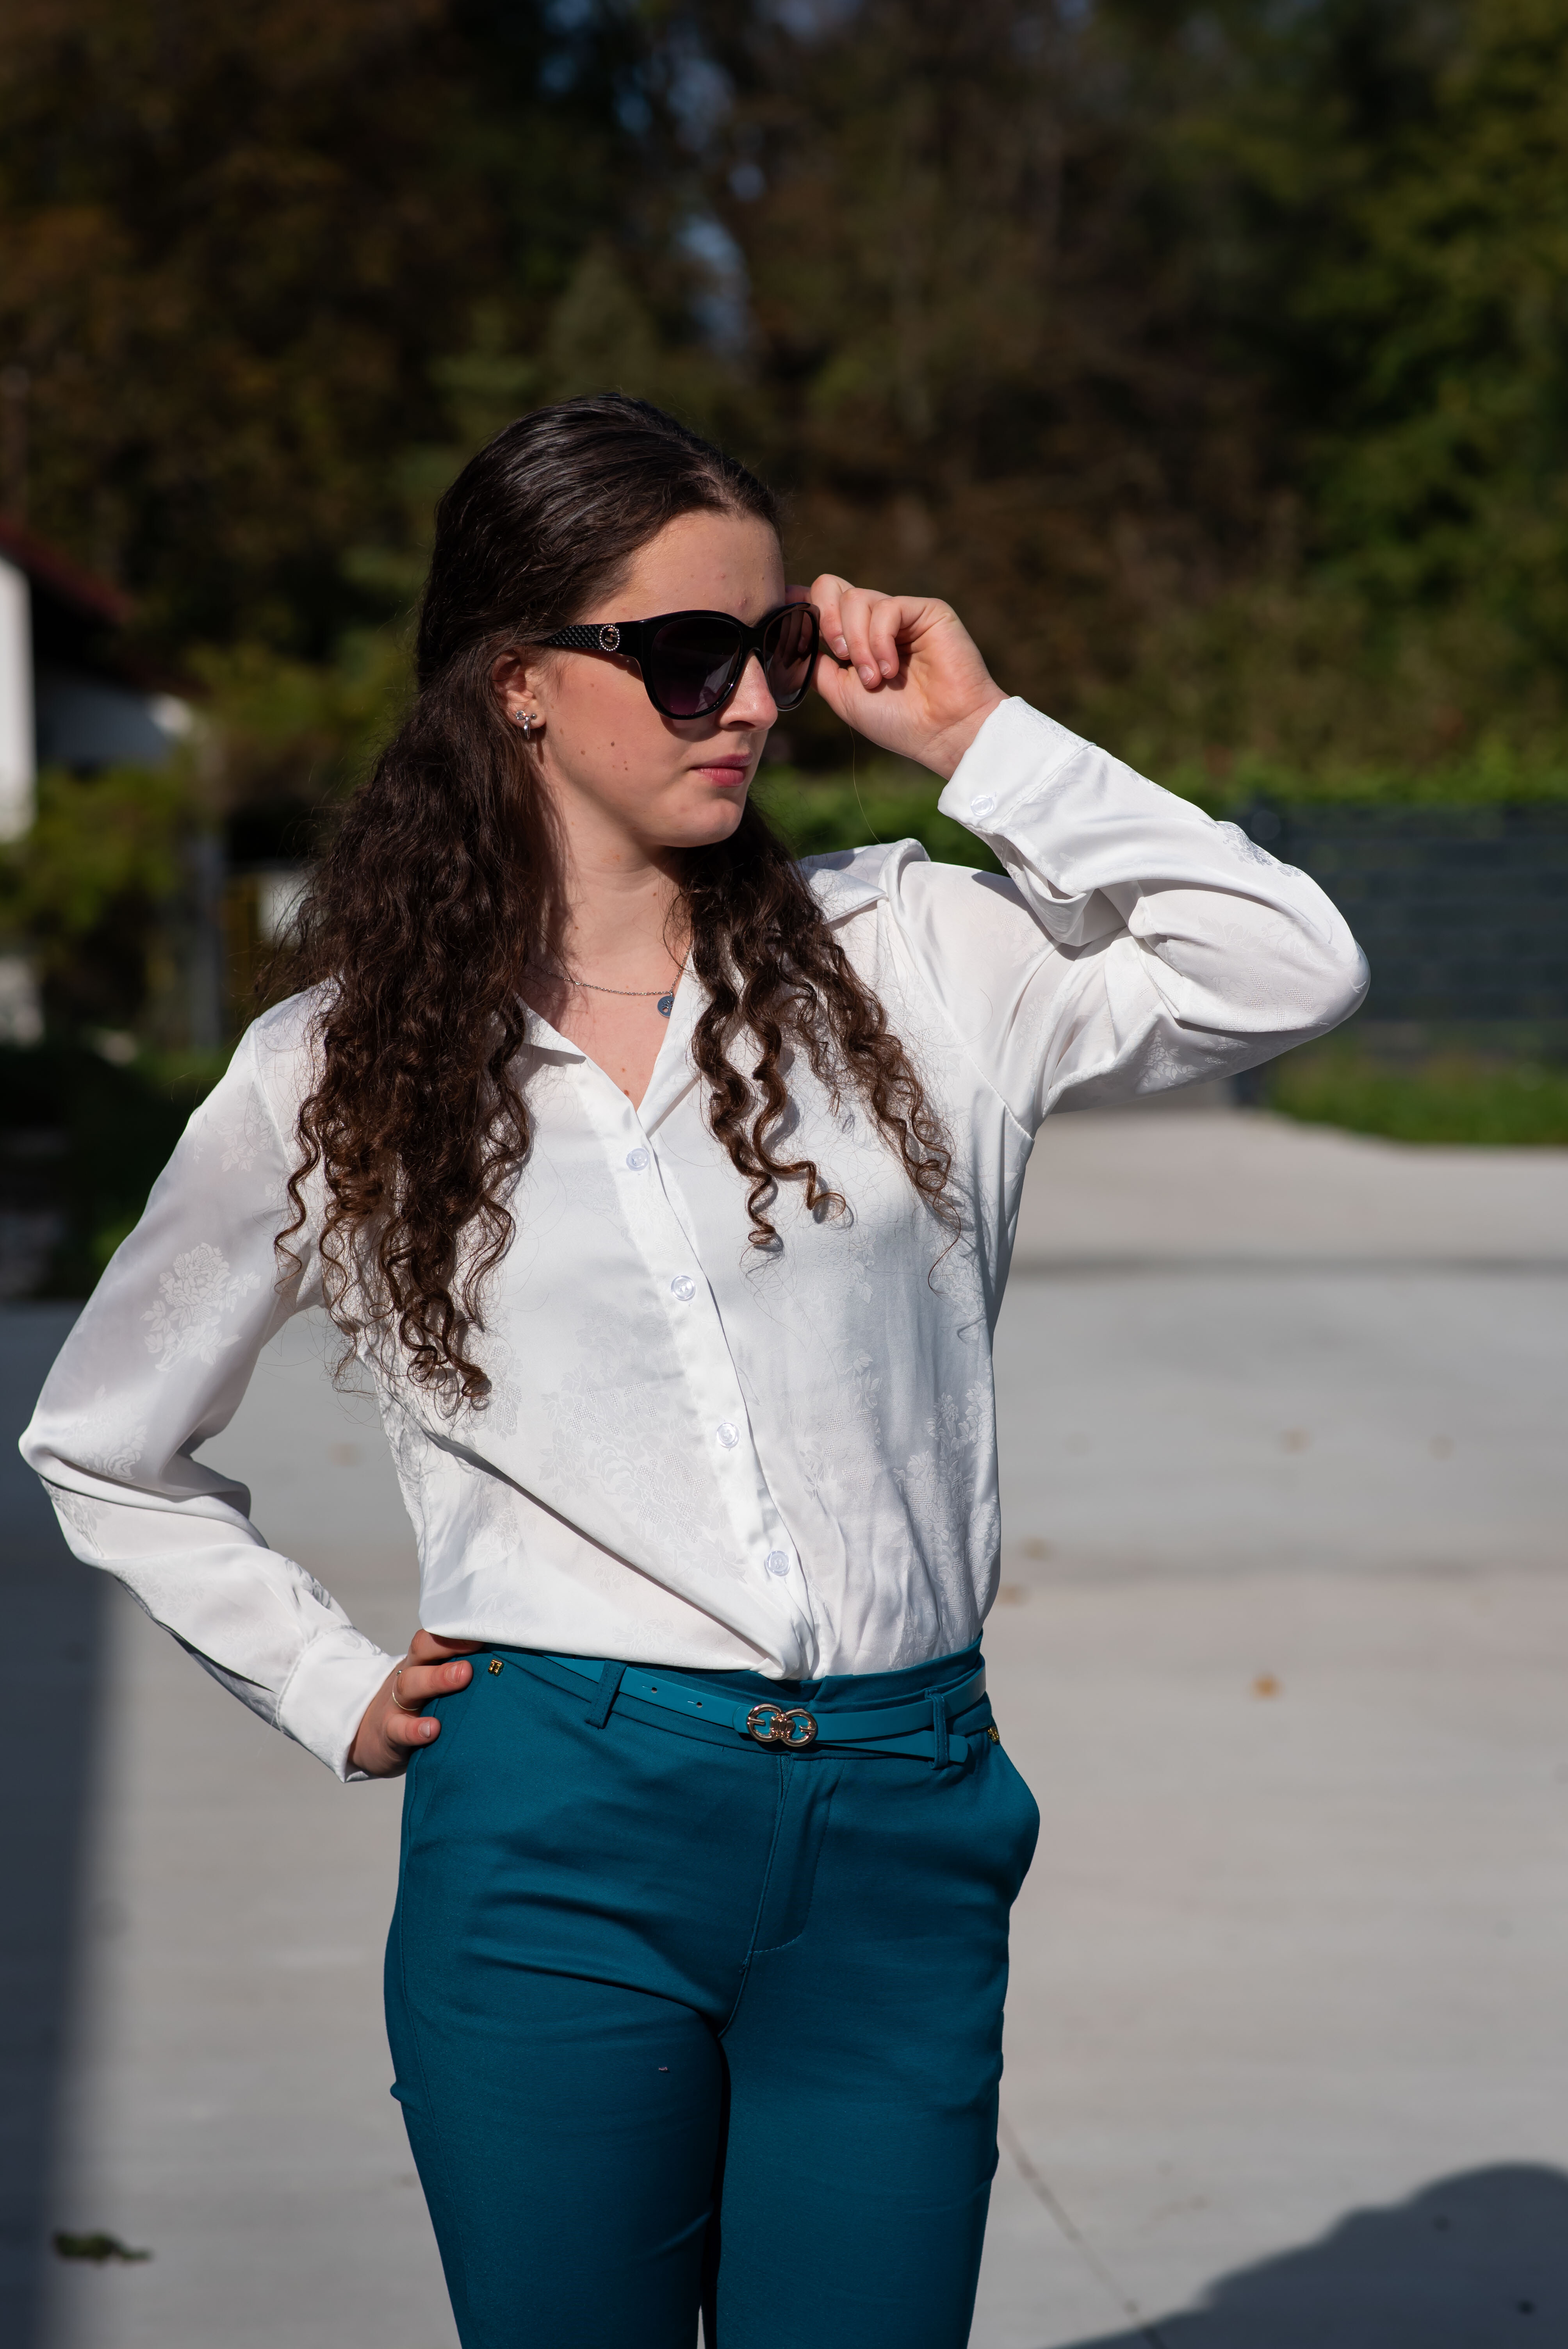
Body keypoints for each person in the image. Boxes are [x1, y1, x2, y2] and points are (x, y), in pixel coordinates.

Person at [21, 394, 1367, 2348]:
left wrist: (979, 738)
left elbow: (1286, 963)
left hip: (902, 1822)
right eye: (681, 651)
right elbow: (104, 1440)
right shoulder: (336, 1066)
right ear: (517, 681)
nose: (744, 699)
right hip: (553, 1832)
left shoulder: (912, 952)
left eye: (769, 647)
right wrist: (318, 1678)